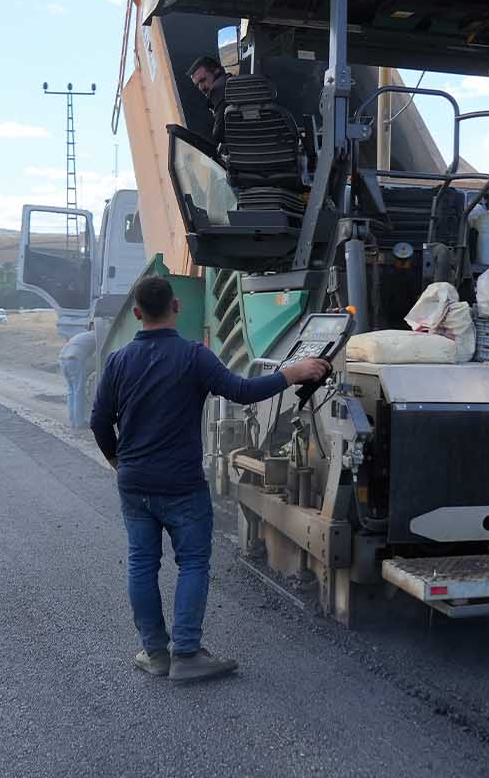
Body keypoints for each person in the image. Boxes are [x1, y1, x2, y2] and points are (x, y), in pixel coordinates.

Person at [89, 273, 329, 681]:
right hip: (181, 485)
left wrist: (118, 463)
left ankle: (154, 653)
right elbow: (242, 391)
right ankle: (186, 654)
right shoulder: (193, 356)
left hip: (134, 483)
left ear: (136, 313)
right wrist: (294, 372)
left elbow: (98, 422)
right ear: (176, 307)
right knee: (194, 563)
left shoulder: (117, 361)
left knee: (142, 565)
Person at [57, 328, 96, 429]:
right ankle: (79, 423)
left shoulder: (84, 335)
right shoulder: (97, 336)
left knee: (71, 391)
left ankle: (73, 421)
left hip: (62, 359)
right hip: (74, 359)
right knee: (79, 391)